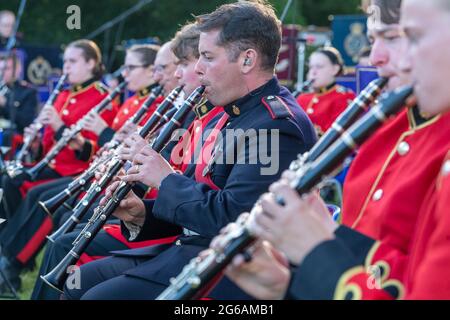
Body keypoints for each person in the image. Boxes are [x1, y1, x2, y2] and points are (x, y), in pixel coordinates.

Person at [62, 1, 316, 300]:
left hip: (231, 273)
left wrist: (165, 180)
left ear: (247, 60)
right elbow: (202, 205)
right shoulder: (231, 113)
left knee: (97, 297)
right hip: (194, 253)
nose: (197, 68)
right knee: (79, 281)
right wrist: (141, 214)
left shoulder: (275, 125)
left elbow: (234, 220)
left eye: (207, 57)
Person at [211, 0, 450, 300]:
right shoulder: (386, 130)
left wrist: (317, 251)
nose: (376, 58)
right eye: (374, 40)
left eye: (397, 37)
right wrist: (285, 286)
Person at [31, 24, 218, 300]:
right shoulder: (180, 109)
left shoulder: (201, 115)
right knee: (56, 220)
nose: (166, 75)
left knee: (65, 243)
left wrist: (139, 163)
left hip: (173, 229)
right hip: (158, 214)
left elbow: (184, 178)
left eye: (175, 65)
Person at [0, 44, 162, 294]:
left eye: (72, 61)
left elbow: (95, 147)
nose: (125, 74)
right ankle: (10, 255)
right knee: (15, 183)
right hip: (86, 169)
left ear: (90, 64)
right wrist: (37, 138)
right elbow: (98, 145)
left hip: (84, 172)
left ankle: (12, 263)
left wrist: (94, 135)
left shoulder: (107, 97)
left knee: (43, 199)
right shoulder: (128, 101)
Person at [296, 47, 356, 135]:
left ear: (335, 69)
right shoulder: (302, 98)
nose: (313, 72)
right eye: (311, 67)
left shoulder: (345, 96)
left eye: (319, 67)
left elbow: (334, 136)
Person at [0, 53, 38, 147]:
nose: (2, 72)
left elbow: (26, 121)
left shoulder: (28, 92)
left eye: (6, 69)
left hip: (13, 139)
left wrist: (5, 103)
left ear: (18, 70)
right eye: (0, 69)